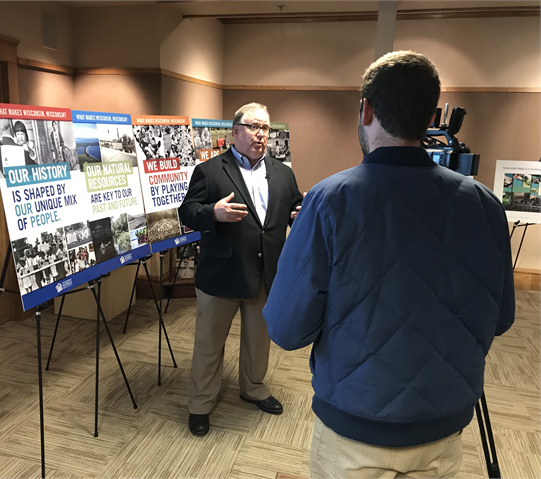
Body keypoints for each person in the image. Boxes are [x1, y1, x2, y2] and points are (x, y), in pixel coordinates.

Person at [262, 51, 515, 478]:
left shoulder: (328, 201)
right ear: (429, 113)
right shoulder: (484, 204)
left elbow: (287, 330)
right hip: (444, 432)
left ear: (366, 110)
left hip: (353, 433)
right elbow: (501, 318)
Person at [179, 102, 304, 437]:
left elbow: (292, 205)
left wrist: (298, 211)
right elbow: (187, 212)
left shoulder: (283, 172)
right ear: (235, 132)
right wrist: (213, 214)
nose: (260, 134)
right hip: (222, 274)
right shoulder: (210, 170)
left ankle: (254, 388)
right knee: (209, 343)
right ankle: (201, 403)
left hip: (265, 273)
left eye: (265, 128)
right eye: (253, 127)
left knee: (258, 339)